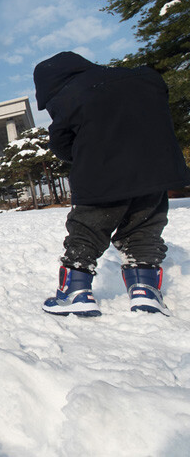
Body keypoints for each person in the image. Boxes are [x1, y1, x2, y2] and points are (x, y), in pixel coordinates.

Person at [34, 51, 190, 317]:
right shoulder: (142, 77)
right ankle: (145, 291)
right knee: (144, 229)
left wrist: (88, 155)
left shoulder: (68, 95)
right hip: (154, 171)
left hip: (102, 175)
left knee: (88, 230)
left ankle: (75, 292)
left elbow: (61, 145)